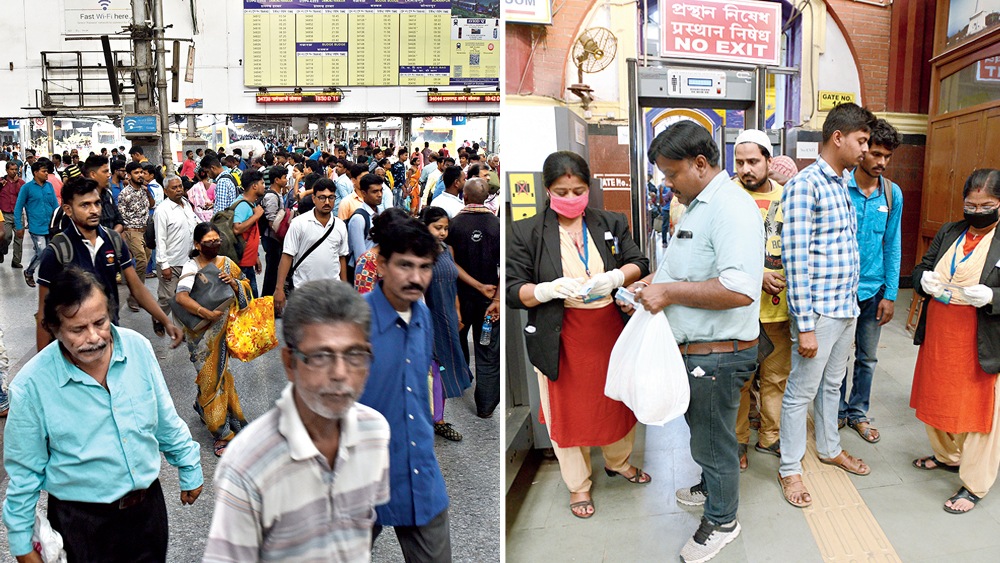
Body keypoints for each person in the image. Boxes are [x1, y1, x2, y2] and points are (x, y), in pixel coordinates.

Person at [616, 123, 763, 562]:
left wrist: (670, 293)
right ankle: (712, 489)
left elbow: (740, 288)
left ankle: (722, 521)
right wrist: (649, 286)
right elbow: (686, 269)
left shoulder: (731, 208)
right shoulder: (696, 205)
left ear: (700, 164)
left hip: (719, 355)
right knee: (704, 433)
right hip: (697, 352)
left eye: (671, 172)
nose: (667, 183)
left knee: (714, 442)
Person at [2, 267, 203, 563]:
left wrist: (189, 464)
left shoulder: (137, 348)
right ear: (53, 328)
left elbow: (163, 416)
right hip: (82, 523)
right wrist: (22, 543)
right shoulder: (31, 386)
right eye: (77, 329)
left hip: (148, 511)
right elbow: (24, 471)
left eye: (100, 322)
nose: (94, 337)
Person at [506, 151, 651, 520]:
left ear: (590, 188)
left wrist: (616, 277)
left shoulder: (610, 222)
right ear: (547, 190)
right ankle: (578, 483)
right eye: (562, 190)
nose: (571, 197)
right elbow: (512, 289)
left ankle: (618, 462)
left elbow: (640, 262)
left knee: (616, 399)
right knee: (566, 412)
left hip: (608, 330)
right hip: (560, 336)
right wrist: (546, 290)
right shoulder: (527, 231)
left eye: (579, 189)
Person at [203, 280, 390, 563]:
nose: (340, 373)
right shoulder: (247, 463)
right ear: (290, 363)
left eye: (354, 355)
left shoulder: (375, 432)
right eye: (320, 356)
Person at [779, 103, 877, 509]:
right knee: (801, 391)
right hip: (817, 312)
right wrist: (804, 324)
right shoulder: (806, 185)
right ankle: (789, 468)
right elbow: (795, 258)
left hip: (845, 309)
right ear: (838, 137)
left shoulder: (842, 183)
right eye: (862, 141)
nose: (866, 150)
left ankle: (829, 448)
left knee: (832, 386)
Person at [358, 215, 452, 563]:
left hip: (419, 473)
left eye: (425, 267)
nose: (416, 278)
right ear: (381, 263)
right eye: (405, 265)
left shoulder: (423, 316)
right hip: (362, 480)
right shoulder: (354, 323)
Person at [911, 168, 1000, 514]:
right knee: (936, 395)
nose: (977, 212)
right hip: (940, 334)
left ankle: (975, 483)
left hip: (982, 339)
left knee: (980, 412)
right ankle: (948, 455)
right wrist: (924, 281)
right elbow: (922, 268)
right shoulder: (950, 231)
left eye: (987, 205)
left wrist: (992, 296)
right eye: (971, 205)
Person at [36, 176, 183, 350]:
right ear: (68, 209)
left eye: (97, 203)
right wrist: (42, 360)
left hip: (109, 335)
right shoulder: (57, 251)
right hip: (74, 344)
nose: (94, 210)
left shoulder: (113, 240)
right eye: (85, 205)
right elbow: (44, 312)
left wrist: (166, 321)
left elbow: (136, 287)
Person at [838, 119, 904, 444]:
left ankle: (858, 413)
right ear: (862, 150)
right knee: (837, 358)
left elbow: (893, 245)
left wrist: (890, 293)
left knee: (867, 357)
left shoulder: (892, 195)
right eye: (876, 153)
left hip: (873, 291)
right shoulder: (839, 187)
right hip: (839, 291)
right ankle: (836, 412)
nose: (880, 162)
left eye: (887, 157)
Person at [730, 130, 790, 470]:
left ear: (769, 160)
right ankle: (739, 442)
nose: (746, 169)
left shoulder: (788, 198)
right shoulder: (726, 197)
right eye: (739, 162)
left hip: (779, 312)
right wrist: (758, 275)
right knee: (740, 383)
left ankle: (770, 436)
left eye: (753, 161)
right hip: (739, 311)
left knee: (775, 378)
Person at [173, 223, 254, 456]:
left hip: (223, 331)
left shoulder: (227, 263)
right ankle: (222, 434)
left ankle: (203, 406)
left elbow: (246, 286)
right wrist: (205, 313)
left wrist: (235, 284)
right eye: (209, 241)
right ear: (197, 245)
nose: (215, 244)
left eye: (217, 240)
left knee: (220, 377)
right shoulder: (192, 266)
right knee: (210, 379)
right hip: (201, 335)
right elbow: (181, 297)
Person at [418, 206, 473, 442]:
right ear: (424, 226)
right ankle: (432, 419)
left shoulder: (446, 250)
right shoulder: (418, 254)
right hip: (429, 318)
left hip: (448, 316)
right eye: (437, 228)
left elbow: (453, 284)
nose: (442, 233)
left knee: (443, 368)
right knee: (433, 369)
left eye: (445, 228)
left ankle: (436, 417)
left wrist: (458, 312)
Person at [447, 178, 501, 418]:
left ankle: (461, 383)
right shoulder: (497, 225)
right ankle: (486, 407)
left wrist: (476, 287)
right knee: (488, 351)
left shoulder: (452, 225)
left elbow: (450, 263)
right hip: (490, 303)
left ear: (465, 197)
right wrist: (495, 297)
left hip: (460, 299)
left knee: (458, 343)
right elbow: (507, 267)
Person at [274, 178, 349, 314]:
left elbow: (341, 258)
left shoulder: (340, 226)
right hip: (304, 293)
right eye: (322, 198)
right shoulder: (299, 223)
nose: (327, 202)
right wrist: (279, 288)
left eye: (331, 197)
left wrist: (345, 289)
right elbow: (287, 256)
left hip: (332, 293)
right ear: (313, 198)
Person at [153, 175, 199, 336]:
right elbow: (160, 239)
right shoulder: (162, 211)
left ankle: (182, 331)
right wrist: (164, 265)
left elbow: (196, 223)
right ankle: (158, 317)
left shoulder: (186, 205)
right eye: (174, 187)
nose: (179, 190)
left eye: (180, 186)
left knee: (182, 297)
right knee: (168, 298)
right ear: (165, 191)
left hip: (188, 261)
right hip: (170, 263)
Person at [13, 160, 59, 288]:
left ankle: (49, 277)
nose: (46, 174)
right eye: (44, 171)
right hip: (36, 226)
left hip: (50, 226)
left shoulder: (49, 186)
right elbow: (18, 208)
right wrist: (19, 227)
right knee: (41, 252)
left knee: (50, 253)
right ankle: (29, 272)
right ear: (35, 173)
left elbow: (55, 206)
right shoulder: (26, 188)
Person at [118, 161, 155, 311]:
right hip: (132, 231)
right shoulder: (124, 194)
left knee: (144, 263)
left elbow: (151, 205)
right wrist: (123, 236)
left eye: (142, 172)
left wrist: (147, 192)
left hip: (146, 232)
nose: (140, 175)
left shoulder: (144, 190)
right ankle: (135, 296)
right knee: (140, 260)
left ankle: (136, 290)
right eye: (136, 173)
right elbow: (120, 216)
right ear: (129, 175)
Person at [231, 169, 265, 298]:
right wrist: (256, 216)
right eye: (262, 183)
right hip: (242, 265)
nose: (264, 186)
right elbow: (237, 228)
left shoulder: (249, 204)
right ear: (254, 186)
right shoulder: (243, 206)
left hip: (247, 262)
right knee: (249, 302)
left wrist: (255, 257)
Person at [347, 173, 384, 273]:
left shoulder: (381, 213)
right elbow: (360, 256)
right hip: (366, 272)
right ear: (364, 193)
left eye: (381, 191)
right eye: (375, 192)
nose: (379, 195)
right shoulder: (359, 218)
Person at [259, 166, 288, 297]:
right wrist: (280, 237)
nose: (286, 180)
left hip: (274, 239)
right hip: (272, 239)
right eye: (284, 178)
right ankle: (268, 299)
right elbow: (272, 222)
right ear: (276, 180)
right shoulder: (271, 196)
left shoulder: (277, 194)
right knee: (272, 271)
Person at [0, 161, 25, 267]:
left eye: (16, 169)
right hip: (5, 213)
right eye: (12, 169)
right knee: (5, 236)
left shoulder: (21, 183)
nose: (14, 172)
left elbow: (24, 197)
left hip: (18, 214)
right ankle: (1, 250)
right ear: (6, 170)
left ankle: (16, 261)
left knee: (19, 238)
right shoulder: (1, 182)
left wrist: (17, 184)